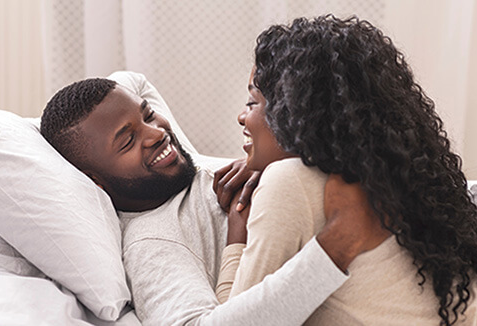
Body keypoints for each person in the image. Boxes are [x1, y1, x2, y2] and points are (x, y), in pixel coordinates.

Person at [218, 15, 477, 325]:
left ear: (295, 113)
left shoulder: (287, 183)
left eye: (253, 102)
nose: (242, 116)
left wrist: (236, 239)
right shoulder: (381, 171)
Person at [39, 70, 373, 325]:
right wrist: (335, 247)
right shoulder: (153, 242)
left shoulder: (218, 174)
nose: (156, 133)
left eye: (147, 115)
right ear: (94, 181)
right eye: (127, 141)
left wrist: (267, 164)